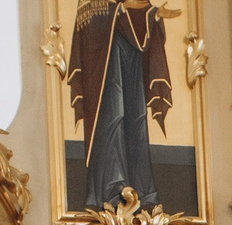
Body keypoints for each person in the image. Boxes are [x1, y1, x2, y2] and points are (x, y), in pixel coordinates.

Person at [71, 0, 175, 212]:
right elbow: (89, 18)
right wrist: (119, 10)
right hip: (106, 60)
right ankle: (113, 187)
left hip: (132, 56)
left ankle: (144, 190)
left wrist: (153, 14)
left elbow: (138, 6)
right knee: (114, 117)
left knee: (137, 118)